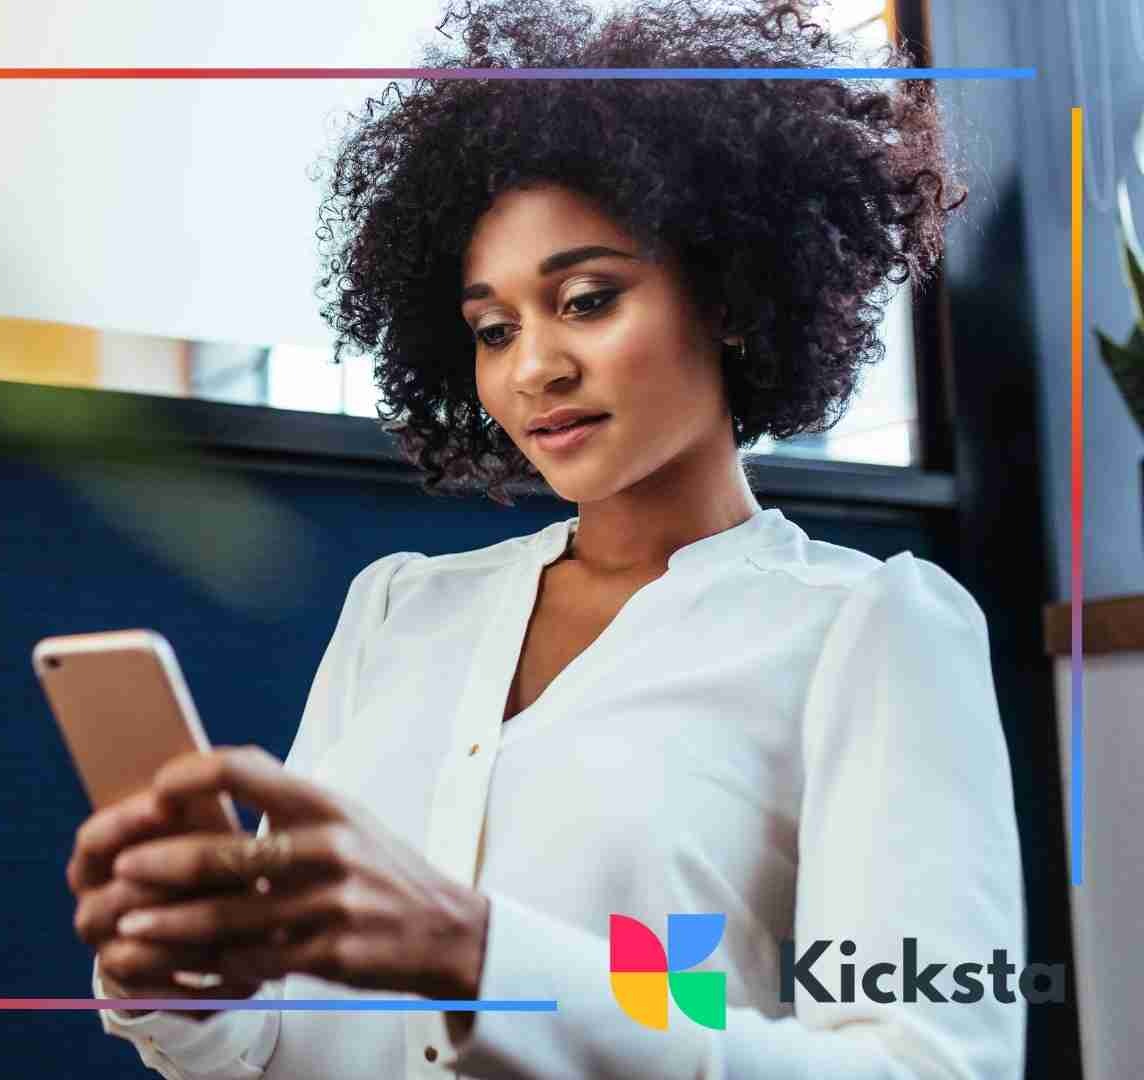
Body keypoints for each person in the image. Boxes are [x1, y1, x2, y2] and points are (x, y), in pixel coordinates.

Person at [67, 0, 1027, 1076]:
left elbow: (932, 1065)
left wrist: (479, 958)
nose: (534, 370)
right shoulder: (398, 610)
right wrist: (189, 981)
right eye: (494, 329)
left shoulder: (870, 630)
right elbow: (276, 1038)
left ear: (734, 297)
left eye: (586, 298)